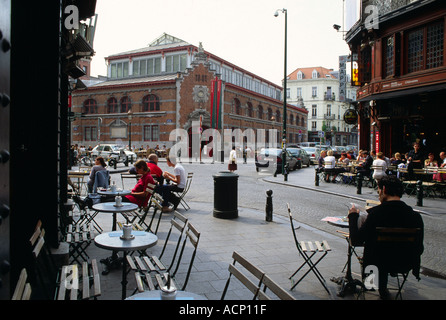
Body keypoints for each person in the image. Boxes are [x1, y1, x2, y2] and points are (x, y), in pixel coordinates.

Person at [348, 176, 424, 299]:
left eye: (378, 190)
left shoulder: (375, 214)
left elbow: (356, 240)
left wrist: (352, 217)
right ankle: (382, 289)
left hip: (376, 265)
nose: (378, 194)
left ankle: (371, 284)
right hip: (404, 263)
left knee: (375, 253)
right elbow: (419, 248)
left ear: (383, 189)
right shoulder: (415, 216)